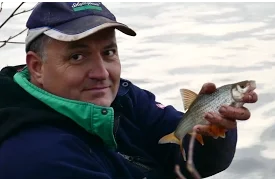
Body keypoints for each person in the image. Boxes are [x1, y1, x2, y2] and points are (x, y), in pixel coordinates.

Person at [0, 2, 258, 179]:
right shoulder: (38, 158)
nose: (101, 73)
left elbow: (191, 164)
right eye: (78, 56)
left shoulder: (122, 97)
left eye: (108, 52)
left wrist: (212, 132)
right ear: (37, 67)